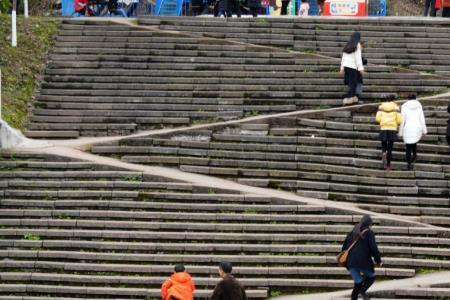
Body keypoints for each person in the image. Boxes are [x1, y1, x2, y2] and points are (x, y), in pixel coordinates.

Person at [341, 215, 382, 300]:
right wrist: (378, 261)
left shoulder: (351, 232)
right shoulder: (369, 233)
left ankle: (355, 296)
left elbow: (344, 248)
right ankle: (362, 291)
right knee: (372, 276)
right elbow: (373, 248)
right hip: (364, 262)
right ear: (369, 224)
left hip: (351, 262)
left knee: (358, 283)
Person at [399, 94, 427, 170]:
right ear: (415, 98)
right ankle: (414, 157)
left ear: (408, 98)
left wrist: (400, 132)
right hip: (417, 127)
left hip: (407, 127)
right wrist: (424, 130)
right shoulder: (419, 106)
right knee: (414, 143)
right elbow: (422, 119)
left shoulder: (404, 106)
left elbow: (402, 120)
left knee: (408, 146)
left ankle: (408, 163)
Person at [376, 95, 402, 171]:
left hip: (383, 128)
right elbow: (399, 120)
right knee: (390, 148)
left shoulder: (381, 107)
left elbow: (377, 119)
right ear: (393, 100)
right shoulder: (396, 107)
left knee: (384, 145)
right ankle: (388, 166)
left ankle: (384, 152)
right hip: (392, 129)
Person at [340, 32, 364, 105]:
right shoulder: (357, 45)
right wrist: (360, 68)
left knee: (351, 83)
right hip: (353, 67)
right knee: (353, 83)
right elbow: (358, 58)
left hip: (346, 66)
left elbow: (343, 57)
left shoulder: (348, 44)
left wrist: (342, 68)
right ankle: (350, 97)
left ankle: (352, 97)